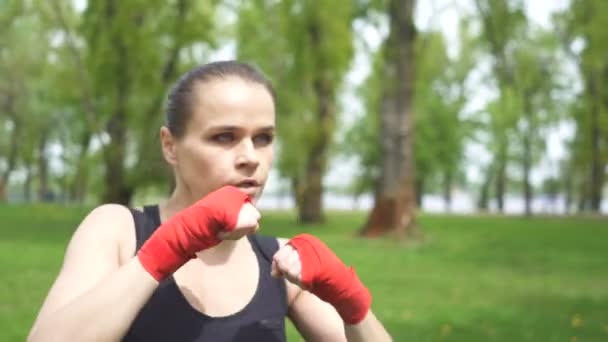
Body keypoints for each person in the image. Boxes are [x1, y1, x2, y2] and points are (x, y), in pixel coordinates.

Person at [27, 61, 393, 342]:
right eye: (224, 137)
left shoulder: (283, 265)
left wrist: (351, 301)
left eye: (263, 138)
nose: (250, 156)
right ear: (170, 146)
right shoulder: (119, 231)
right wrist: (169, 247)